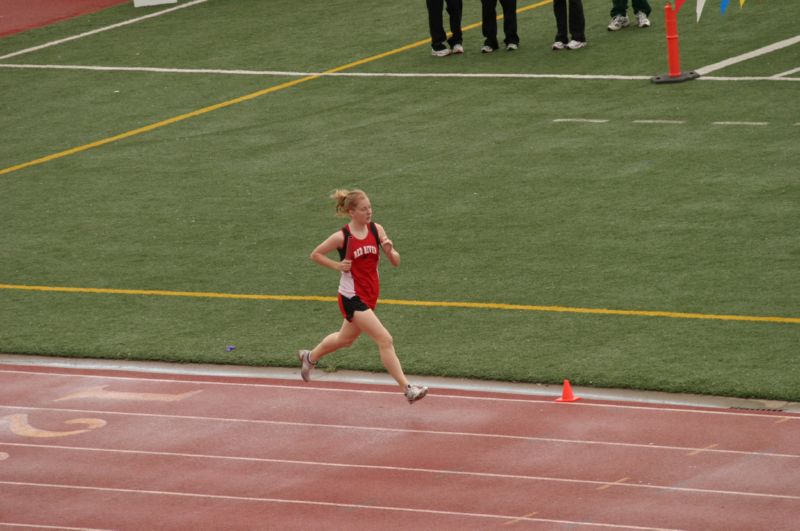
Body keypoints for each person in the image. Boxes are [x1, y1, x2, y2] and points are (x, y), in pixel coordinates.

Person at [298, 189, 429, 404]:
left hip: (369, 295)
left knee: (345, 340)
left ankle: (309, 357)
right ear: (352, 212)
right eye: (364, 209)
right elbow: (316, 254)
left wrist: (389, 251)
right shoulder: (342, 237)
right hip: (351, 298)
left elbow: (396, 261)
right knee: (385, 339)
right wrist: (337, 265)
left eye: (370, 207)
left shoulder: (377, 230)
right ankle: (408, 389)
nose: (369, 212)